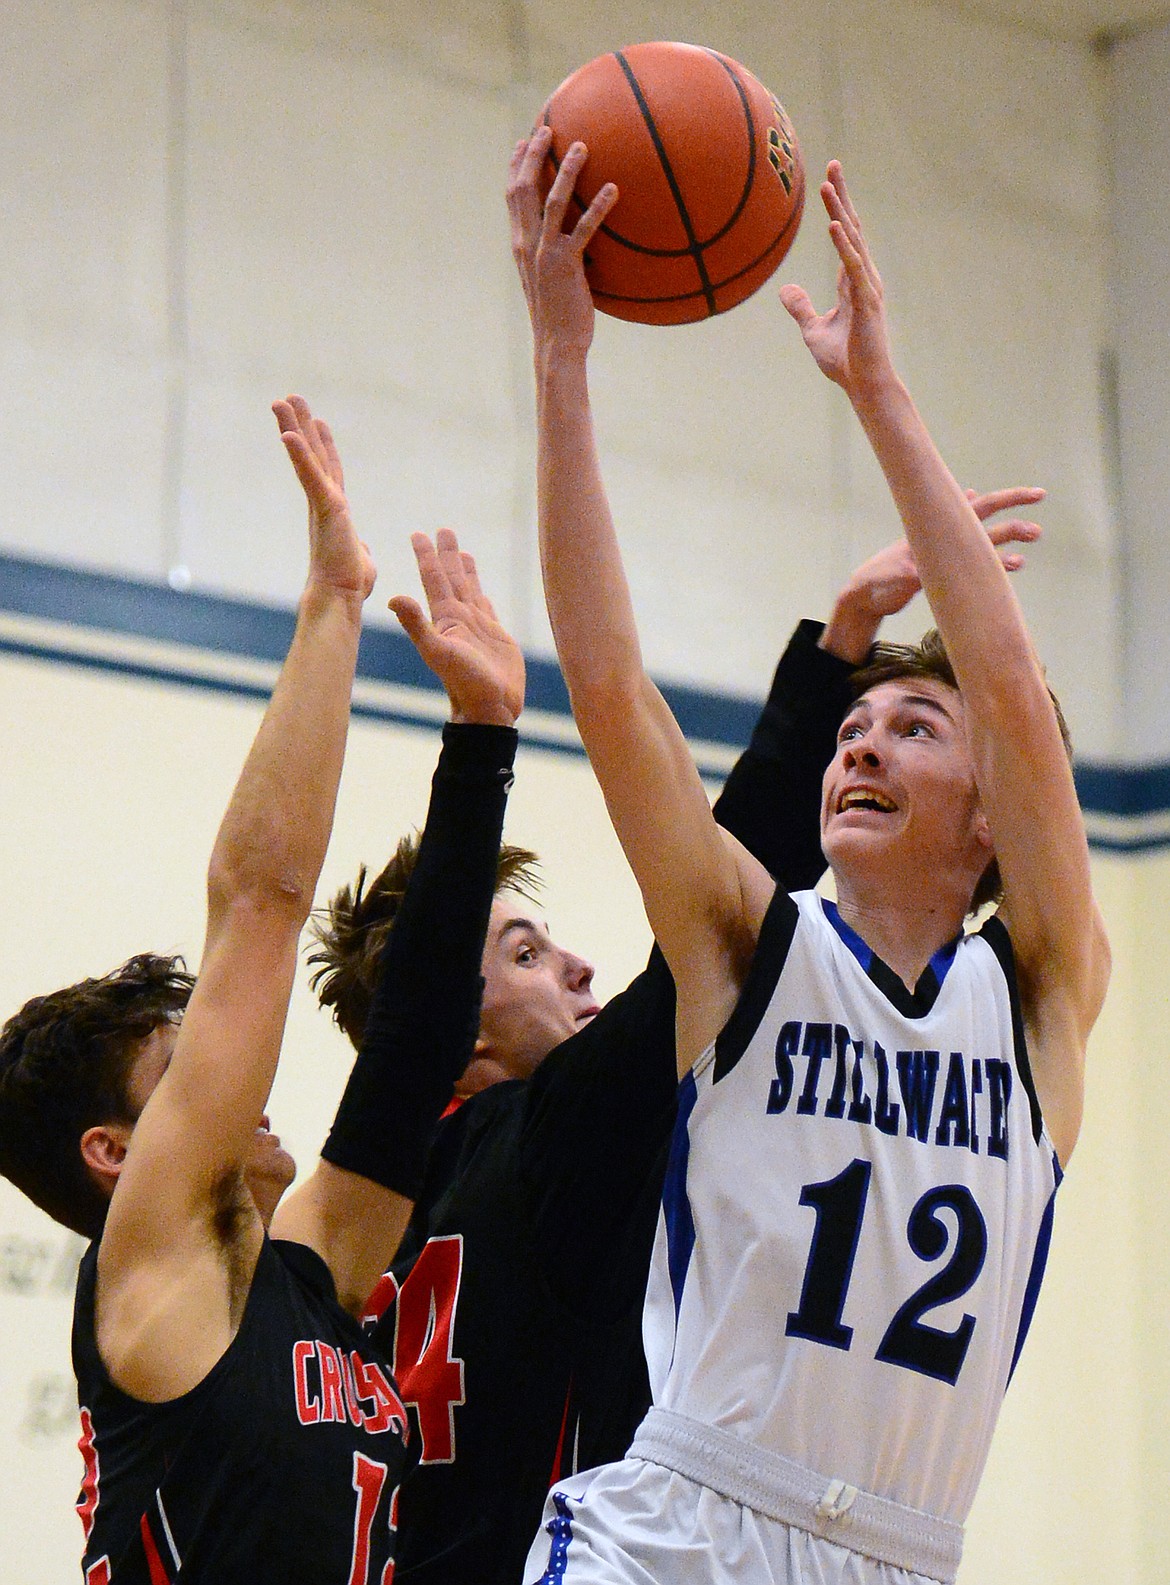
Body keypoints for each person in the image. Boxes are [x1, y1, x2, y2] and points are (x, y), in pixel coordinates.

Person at [509, 131, 1110, 1585]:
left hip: (900, 1557)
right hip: (679, 1526)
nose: (856, 746)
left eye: (913, 727)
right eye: (851, 728)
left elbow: (1017, 703)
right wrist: (560, 362)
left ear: (987, 822)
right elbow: (606, 686)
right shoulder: (748, 940)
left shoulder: (1039, 996)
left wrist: (881, 398)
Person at [310, 511, 1043, 1583]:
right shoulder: (544, 1135)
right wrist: (833, 653)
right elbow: (718, 894)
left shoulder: (357, 1205)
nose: (574, 970)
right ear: (449, 1022)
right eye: (525, 953)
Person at [0, 401, 499, 1584]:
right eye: (181, 1074)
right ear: (116, 1152)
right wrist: (331, 606)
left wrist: (483, 740)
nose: (239, 1079)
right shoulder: (154, 1263)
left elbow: (412, 1063)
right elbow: (261, 904)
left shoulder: (299, 1272)